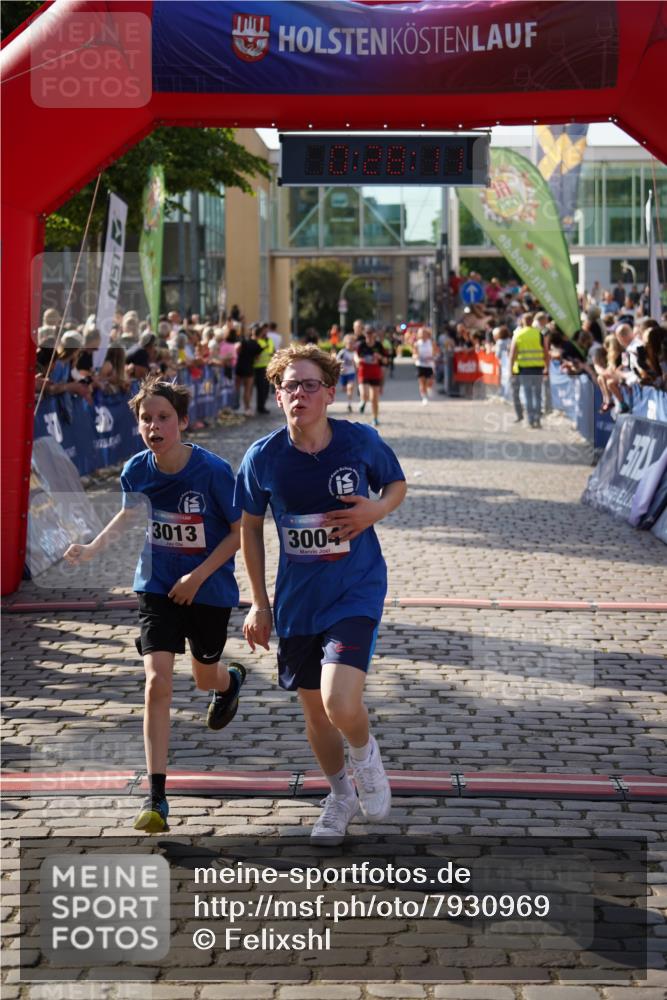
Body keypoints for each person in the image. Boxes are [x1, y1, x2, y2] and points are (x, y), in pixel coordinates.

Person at [235, 344, 407, 845]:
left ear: (330, 393)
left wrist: (372, 512)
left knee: (339, 701)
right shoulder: (263, 458)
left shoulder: (358, 443)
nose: (300, 394)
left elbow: (396, 486)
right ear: (278, 394)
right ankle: (340, 795)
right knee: (314, 711)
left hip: (356, 589)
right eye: (290, 385)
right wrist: (258, 602)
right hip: (297, 603)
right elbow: (249, 529)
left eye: (310, 385)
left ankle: (366, 759)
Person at [64, 374, 244, 834]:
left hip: (208, 591)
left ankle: (228, 683)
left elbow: (238, 532)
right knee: (155, 683)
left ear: (183, 421)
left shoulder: (213, 471)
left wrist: (197, 576)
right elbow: (129, 514)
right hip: (156, 587)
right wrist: (91, 548)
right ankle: (156, 796)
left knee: (206, 675)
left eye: (164, 417)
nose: (154, 426)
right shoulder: (136, 469)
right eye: (146, 419)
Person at [508, 313, 549, 428]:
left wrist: (511, 370)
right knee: (538, 394)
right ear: (532, 321)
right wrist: (547, 368)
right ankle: (537, 419)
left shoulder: (518, 334)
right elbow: (546, 353)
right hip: (538, 369)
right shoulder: (539, 334)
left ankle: (531, 420)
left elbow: (512, 355)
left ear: (523, 321)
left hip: (524, 369)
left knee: (528, 395)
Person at [355, 325, 387, 427]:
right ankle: (363, 402)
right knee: (365, 394)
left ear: (374, 334)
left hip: (375, 374)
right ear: (364, 334)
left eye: (371, 333)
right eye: (367, 333)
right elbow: (355, 356)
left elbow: (386, 360)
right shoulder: (361, 345)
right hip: (363, 373)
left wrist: (380, 357)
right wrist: (358, 360)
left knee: (374, 399)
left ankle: (375, 418)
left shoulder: (378, 345)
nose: (369, 335)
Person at [412, 326, 438, 404]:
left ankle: (428, 388)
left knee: (430, 381)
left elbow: (436, 352)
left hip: (430, 365)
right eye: (421, 333)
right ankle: (424, 397)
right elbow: (414, 354)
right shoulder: (417, 344)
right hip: (420, 364)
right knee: (422, 382)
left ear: (427, 334)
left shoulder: (431, 342)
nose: (423, 335)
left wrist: (432, 357)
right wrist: (416, 357)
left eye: (424, 333)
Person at [336, 333, 357, 413]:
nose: (350, 345)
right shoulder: (343, 352)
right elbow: (336, 361)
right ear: (345, 344)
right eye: (349, 343)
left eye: (352, 343)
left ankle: (349, 404)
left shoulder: (355, 353)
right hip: (343, 374)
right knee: (345, 389)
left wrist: (356, 364)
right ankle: (348, 399)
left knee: (350, 387)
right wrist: (341, 367)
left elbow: (357, 362)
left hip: (351, 373)